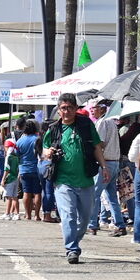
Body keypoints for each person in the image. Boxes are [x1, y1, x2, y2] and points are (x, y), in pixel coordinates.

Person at [41, 93, 106, 264]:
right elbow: (45, 149)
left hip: (85, 179)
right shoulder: (54, 128)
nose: (67, 111)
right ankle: (72, 248)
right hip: (63, 180)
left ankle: (74, 240)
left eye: (70, 107)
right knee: (68, 215)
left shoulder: (86, 125)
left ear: (76, 109)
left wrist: (104, 167)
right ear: (59, 110)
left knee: (85, 219)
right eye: (63, 108)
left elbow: (96, 147)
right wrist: (48, 153)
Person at [90, 101, 129, 236]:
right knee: (111, 195)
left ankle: (92, 224)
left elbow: (100, 143)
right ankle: (120, 224)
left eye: (94, 108)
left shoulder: (103, 122)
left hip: (105, 163)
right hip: (114, 162)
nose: (92, 111)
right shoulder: (112, 122)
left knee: (94, 194)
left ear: (101, 109)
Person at [14, 119, 44, 223]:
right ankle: (37, 215)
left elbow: (16, 155)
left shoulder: (19, 141)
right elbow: (42, 154)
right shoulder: (37, 139)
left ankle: (27, 215)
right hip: (36, 168)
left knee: (26, 192)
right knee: (37, 192)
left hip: (24, 169)